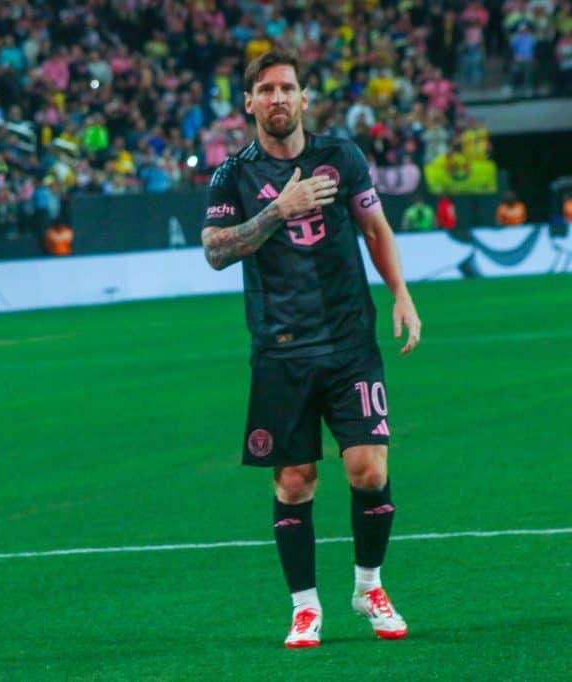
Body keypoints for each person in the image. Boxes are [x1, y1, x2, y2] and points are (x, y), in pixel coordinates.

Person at [201, 49, 421, 649]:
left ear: (303, 98)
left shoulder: (341, 157)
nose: (277, 98)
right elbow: (216, 251)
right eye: (265, 90)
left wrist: (402, 294)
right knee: (294, 482)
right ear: (248, 103)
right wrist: (278, 209)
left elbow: (375, 228)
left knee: (369, 469)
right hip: (281, 351)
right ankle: (304, 607)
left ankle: (368, 586)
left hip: (350, 341)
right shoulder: (232, 175)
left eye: (287, 88)